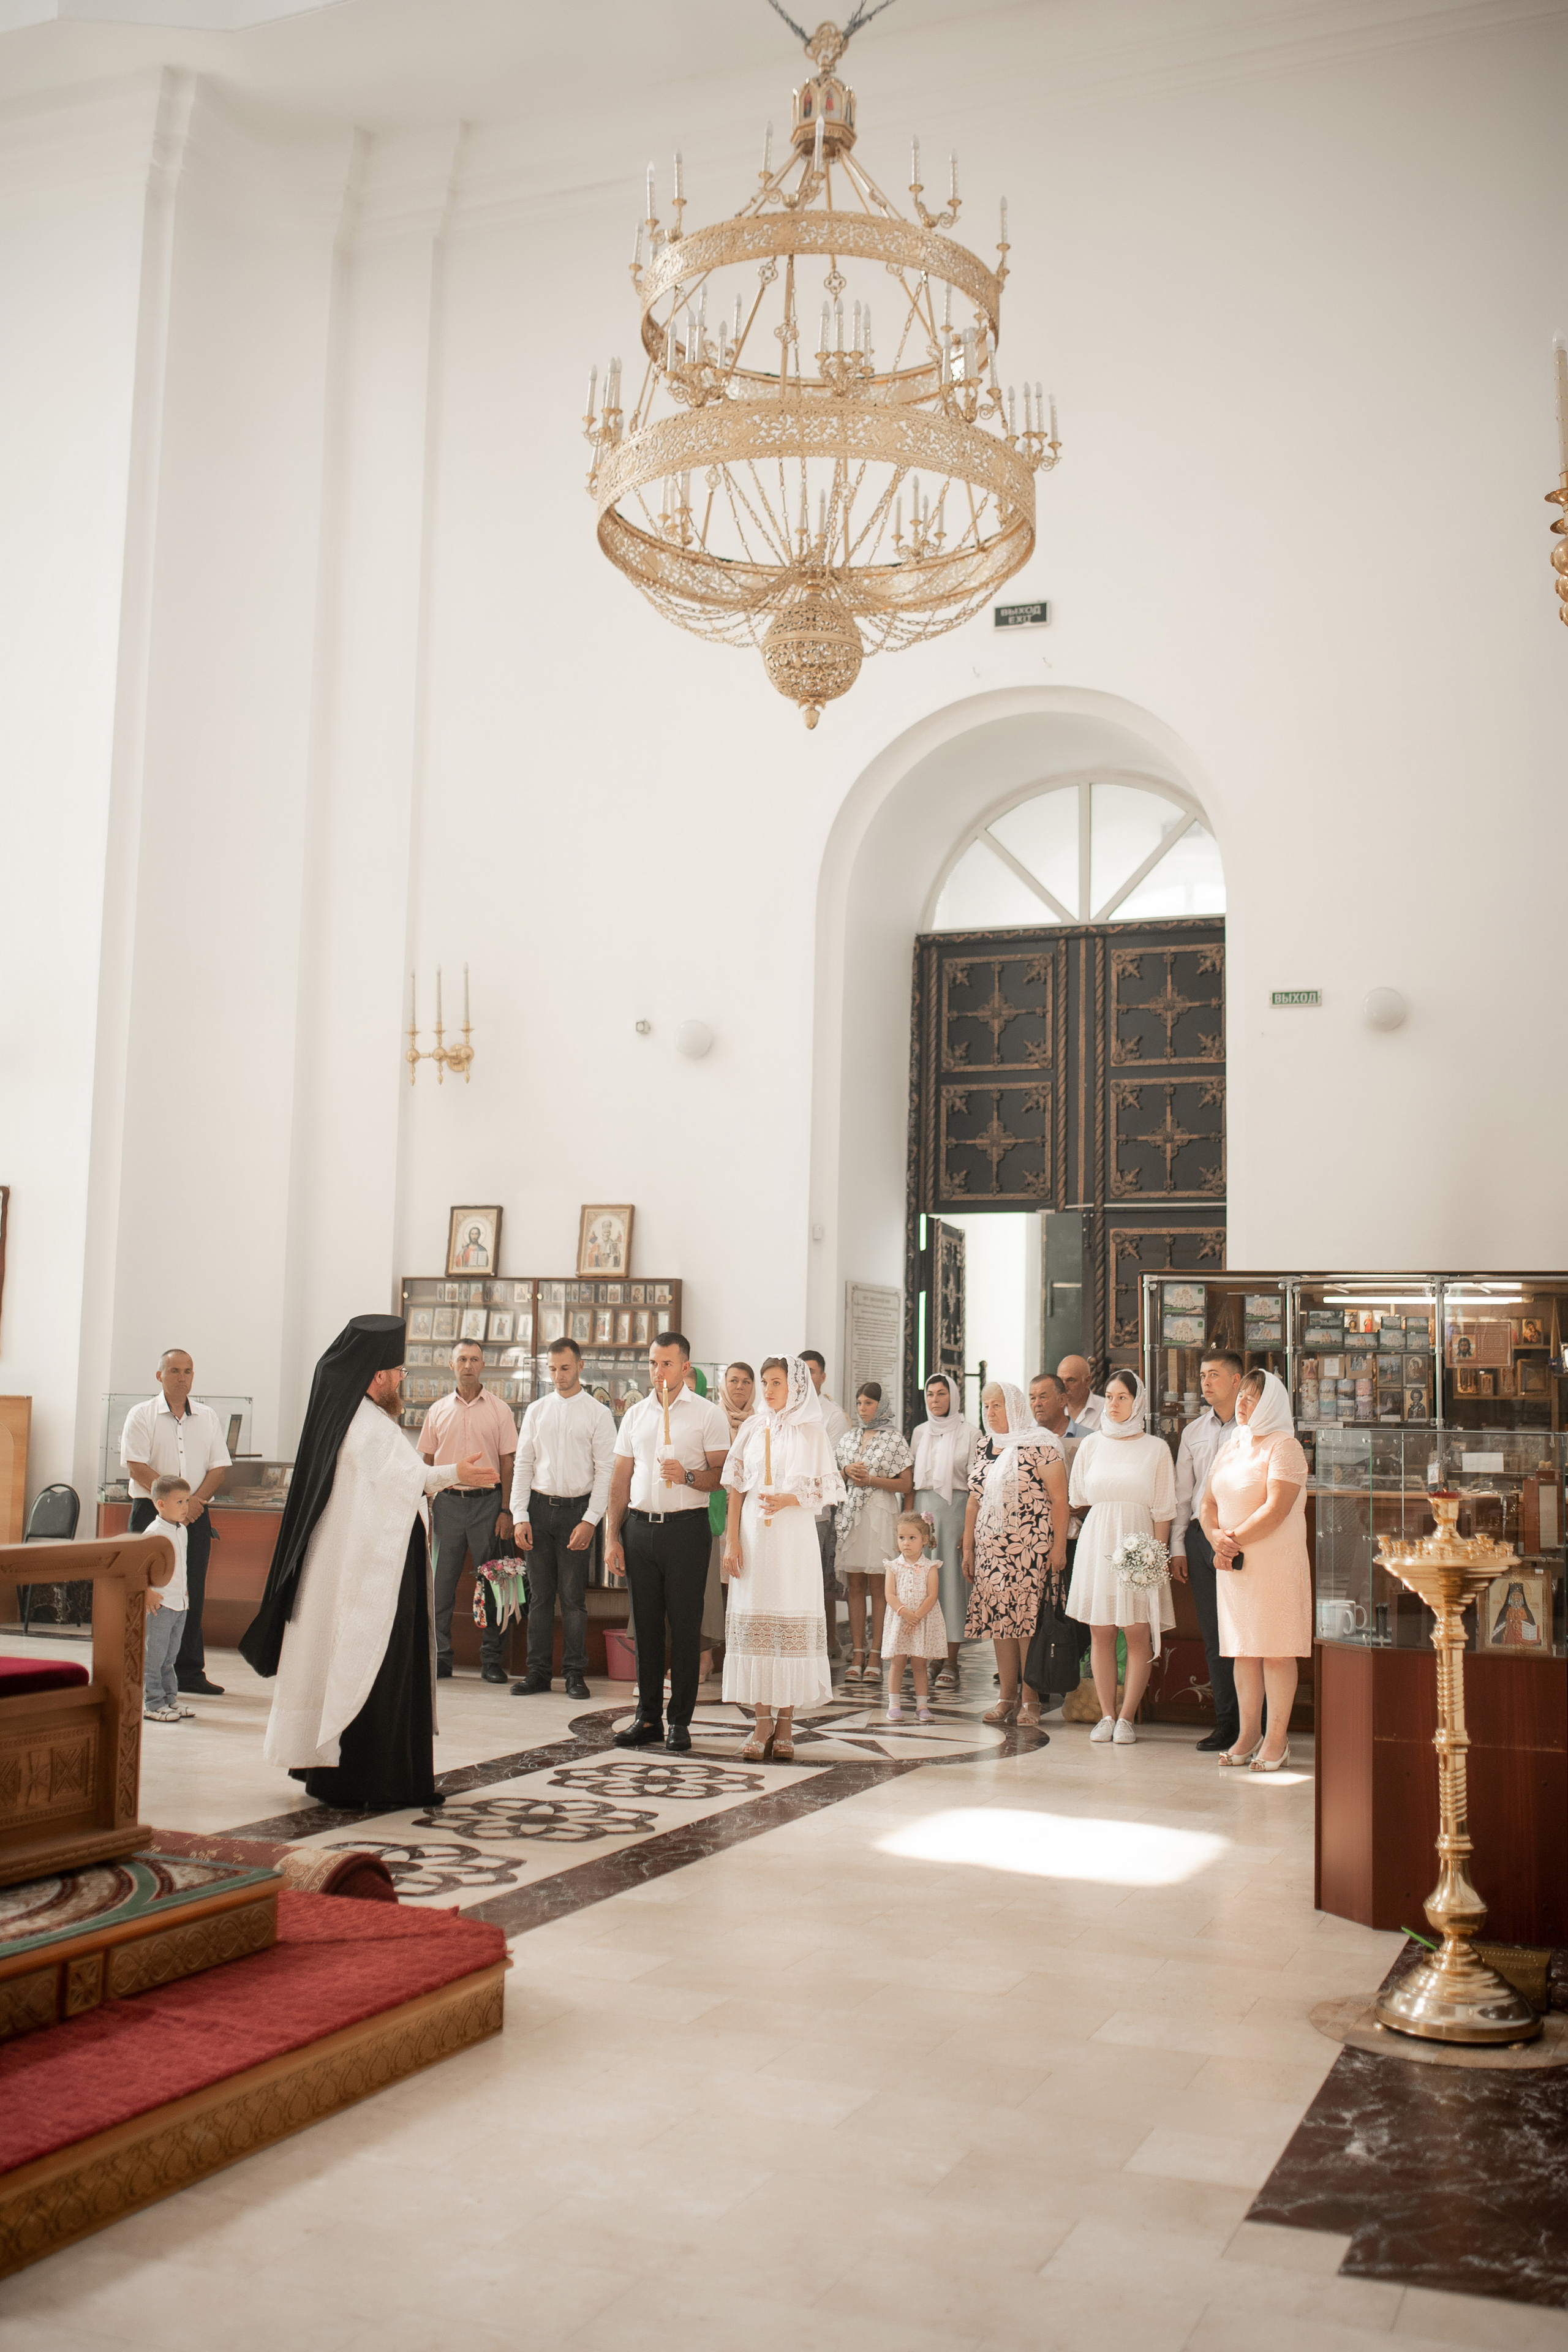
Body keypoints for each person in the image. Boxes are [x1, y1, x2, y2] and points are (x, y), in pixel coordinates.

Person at [241, 1314, 489, 1809]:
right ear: (378, 1376)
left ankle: (348, 1775)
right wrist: (455, 1472)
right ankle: (374, 1779)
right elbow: (406, 1479)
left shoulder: (352, 1416)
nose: (402, 1379)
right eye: (398, 1371)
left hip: (370, 1563)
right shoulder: (366, 1425)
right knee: (375, 1664)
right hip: (372, 1575)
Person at [605, 1332, 730, 1752]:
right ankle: (647, 1719)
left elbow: (720, 1477)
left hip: (686, 1530)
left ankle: (680, 1721)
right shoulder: (636, 1415)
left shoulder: (708, 1415)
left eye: (667, 1364)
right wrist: (612, 1537)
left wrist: (688, 1476)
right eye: (654, 1364)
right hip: (639, 1529)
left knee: (685, 1627)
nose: (659, 1372)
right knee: (647, 1629)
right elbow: (620, 1480)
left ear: (685, 1368)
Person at [722, 1355, 842, 1757]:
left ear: (796, 1387)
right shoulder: (754, 1428)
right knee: (757, 1621)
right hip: (755, 1538)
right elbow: (735, 1485)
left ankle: (786, 1722)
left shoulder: (812, 1432)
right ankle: (760, 1723)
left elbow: (829, 1490)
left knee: (788, 1619)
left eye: (777, 1383)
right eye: (766, 1383)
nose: (769, 1391)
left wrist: (792, 1498)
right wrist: (732, 1541)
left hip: (794, 1540)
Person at [1201, 1367, 1311, 1771]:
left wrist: (1230, 1542)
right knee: (1243, 1651)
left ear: (1272, 1403)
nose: (1243, 1403)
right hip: (1233, 1563)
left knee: (1277, 1651)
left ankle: (1277, 1740)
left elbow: (1276, 1509)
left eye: (1253, 1397)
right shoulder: (1233, 1443)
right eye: (1242, 1395)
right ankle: (1249, 1734)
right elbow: (1207, 1500)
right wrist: (1215, 1537)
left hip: (1272, 1563)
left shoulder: (1286, 1447)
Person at [1067, 1369, 1178, 1746]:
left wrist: (1157, 1560)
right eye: (1110, 1397)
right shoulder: (1092, 1445)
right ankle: (1106, 1714)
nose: (1114, 1405)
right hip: (1099, 1537)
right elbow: (1078, 1495)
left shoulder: (1156, 1449)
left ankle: (1128, 1717)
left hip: (1140, 1541)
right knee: (1100, 1630)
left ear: (1138, 1402)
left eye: (1122, 1398)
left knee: (1136, 1631)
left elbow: (1164, 1510)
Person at [510, 1336, 616, 1701]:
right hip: (537, 1510)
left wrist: (591, 1520)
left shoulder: (599, 1414)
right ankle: (537, 1673)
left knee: (572, 1598)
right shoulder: (537, 1411)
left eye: (565, 1368)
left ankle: (575, 1674)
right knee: (539, 1597)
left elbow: (607, 1471)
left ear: (581, 1366)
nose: (558, 1375)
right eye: (552, 1369)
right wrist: (519, 1514)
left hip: (576, 1512)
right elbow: (523, 1464)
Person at [121, 1349, 232, 1696]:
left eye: (188, 1371)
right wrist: (174, 1503)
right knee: (148, 1591)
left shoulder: (208, 1416)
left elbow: (219, 1467)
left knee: (190, 1591)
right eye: (174, 1371)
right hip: (150, 1512)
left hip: (195, 1515)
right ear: (160, 1376)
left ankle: (188, 1672)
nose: (182, 1377)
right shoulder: (141, 1415)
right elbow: (137, 1467)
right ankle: (138, 1670)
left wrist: (192, 1503)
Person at [962, 1382, 1068, 1728]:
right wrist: (968, 1548)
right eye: (986, 1405)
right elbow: (974, 1500)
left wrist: (1059, 1548)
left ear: (1015, 1407)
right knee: (1000, 1623)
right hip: (991, 1550)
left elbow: (1058, 1501)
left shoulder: (1042, 1446)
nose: (991, 1413)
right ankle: (1006, 1697)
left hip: (1030, 1550)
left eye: (998, 1405)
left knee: (1026, 1624)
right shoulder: (985, 1446)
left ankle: (1031, 1699)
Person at [418, 1341, 518, 1686]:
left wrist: (507, 1509)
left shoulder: (500, 1410)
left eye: (474, 1359)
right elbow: (425, 1464)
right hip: (446, 1504)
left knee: (493, 1581)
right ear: (451, 1365)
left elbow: (508, 1462)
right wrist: (425, 1507)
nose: (468, 1365)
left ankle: (491, 1659)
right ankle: (441, 1657)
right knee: (440, 1585)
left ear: (483, 1365)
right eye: (462, 1359)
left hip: (488, 1506)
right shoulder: (438, 1410)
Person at [1170, 1349, 1243, 1753]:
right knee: (1215, 1637)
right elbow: (1184, 1494)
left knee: (1248, 1635)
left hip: (1241, 1536)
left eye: (1214, 1375)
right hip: (1200, 1539)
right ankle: (1226, 1724)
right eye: (1202, 1375)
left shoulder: (1251, 1430)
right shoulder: (1193, 1432)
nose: (1206, 1382)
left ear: (1236, 1381)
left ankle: (1257, 1723)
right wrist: (1178, 1545)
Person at [834, 1382, 913, 1683]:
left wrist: (874, 1480)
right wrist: (845, 1473)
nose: (863, 1409)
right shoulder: (848, 1438)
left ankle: (877, 1655)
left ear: (881, 1405)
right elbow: (832, 1476)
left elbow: (906, 1485)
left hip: (881, 1514)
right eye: (860, 1403)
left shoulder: (894, 1439)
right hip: (851, 1517)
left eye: (869, 1403)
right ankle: (857, 1652)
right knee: (855, 1585)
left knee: (880, 1587)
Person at [911, 1373, 975, 1691]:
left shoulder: (971, 1433)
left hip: (955, 1515)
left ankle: (951, 1659)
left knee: (950, 1586)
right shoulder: (920, 1432)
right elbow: (913, 1481)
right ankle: (930, 1655)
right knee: (923, 1586)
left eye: (941, 1394)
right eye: (930, 1395)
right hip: (925, 1514)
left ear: (954, 1397)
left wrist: (970, 1532)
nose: (935, 1400)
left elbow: (977, 1486)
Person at [704, 1362, 756, 1676]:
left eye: (746, 1382)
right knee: (712, 1587)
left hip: (747, 1516)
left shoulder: (762, 1423)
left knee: (740, 1582)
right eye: (734, 1381)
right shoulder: (711, 1417)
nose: (740, 1387)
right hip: (713, 1513)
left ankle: (738, 1659)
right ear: (724, 1384)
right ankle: (710, 1655)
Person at [802, 1351, 851, 1658]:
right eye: (801, 1371)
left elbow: (829, 1464)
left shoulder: (832, 1416)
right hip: (784, 1510)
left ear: (822, 1376)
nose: (807, 1378)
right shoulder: (784, 1409)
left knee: (817, 1578)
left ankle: (822, 1642)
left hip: (818, 1510)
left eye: (812, 1372)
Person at [881, 1510, 946, 1724]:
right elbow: (890, 1594)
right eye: (902, 1538)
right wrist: (905, 1613)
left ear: (925, 1540)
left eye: (912, 1538)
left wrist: (916, 1617)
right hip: (900, 1621)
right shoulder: (893, 1567)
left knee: (920, 1664)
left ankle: (922, 1706)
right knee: (897, 1663)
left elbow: (932, 1595)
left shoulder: (931, 1567)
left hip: (922, 1621)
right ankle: (894, 1705)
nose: (906, 1543)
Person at [142, 1476, 192, 1724]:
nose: (186, 1507)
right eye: (180, 1501)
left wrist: (184, 1594)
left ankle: (169, 1698)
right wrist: (147, 1591)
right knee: (154, 1656)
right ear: (160, 1504)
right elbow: (140, 1565)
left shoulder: (182, 1530)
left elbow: (180, 1566)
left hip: (179, 1604)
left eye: (187, 1501)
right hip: (160, 1606)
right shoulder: (154, 1533)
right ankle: (152, 1703)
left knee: (170, 1657)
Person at [1057, 1354, 1106, 1433]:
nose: (1064, 1387)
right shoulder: (1051, 1408)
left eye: (1071, 1380)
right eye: (1060, 1380)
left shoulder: (1106, 1409)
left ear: (1087, 1381)